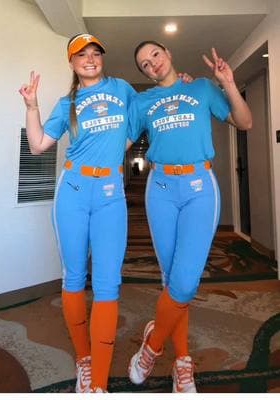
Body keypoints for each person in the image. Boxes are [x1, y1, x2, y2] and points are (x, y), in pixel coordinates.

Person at [127, 41, 252, 393]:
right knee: (171, 279)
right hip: (160, 187)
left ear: (167, 53)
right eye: (143, 64)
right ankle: (183, 364)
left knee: (185, 281)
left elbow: (245, 121)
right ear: (144, 74)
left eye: (154, 55)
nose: (151, 63)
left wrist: (227, 82)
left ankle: (152, 346)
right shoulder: (143, 102)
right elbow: (120, 142)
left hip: (199, 186)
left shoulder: (200, 87)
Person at [19, 33, 137, 393]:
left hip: (110, 194)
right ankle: (84, 359)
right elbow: (38, 146)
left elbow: (136, 125)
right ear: (71, 63)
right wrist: (31, 106)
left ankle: (98, 383)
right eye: (81, 55)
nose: (89, 59)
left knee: (107, 283)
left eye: (95, 53)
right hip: (72, 191)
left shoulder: (122, 89)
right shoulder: (67, 101)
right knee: (74, 277)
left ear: (102, 58)